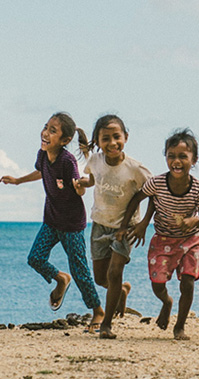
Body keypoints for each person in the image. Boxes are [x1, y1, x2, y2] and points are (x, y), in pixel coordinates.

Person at [0, 112, 104, 330]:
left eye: (52, 131)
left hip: (72, 225)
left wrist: (81, 187)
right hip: (51, 220)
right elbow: (40, 171)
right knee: (35, 258)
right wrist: (18, 181)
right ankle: (60, 279)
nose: (45, 133)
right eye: (46, 127)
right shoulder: (43, 154)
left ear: (65, 140)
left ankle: (98, 311)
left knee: (80, 270)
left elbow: (79, 185)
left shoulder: (68, 161)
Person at [119, 129, 199, 340]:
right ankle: (167, 302)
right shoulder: (157, 183)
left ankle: (180, 326)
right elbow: (137, 199)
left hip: (191, 241)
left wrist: (195, 220)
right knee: (157, 283)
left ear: (194, 160)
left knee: (188, 282)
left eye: (182, 156)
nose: (176, 161)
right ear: (166, 158)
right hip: (162, 240)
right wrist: (130, 225)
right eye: (171, 156)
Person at [74, 114, 152, 339]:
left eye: (116, 137)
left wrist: (144, 224)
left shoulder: (135, 168)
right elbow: (92, 179)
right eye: (105, 138)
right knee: (100, 279)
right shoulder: (95, 161)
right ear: (98, 142)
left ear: (125, 137)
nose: (112, 143)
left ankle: (107, 324)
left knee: (115, 271)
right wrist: (82, 183)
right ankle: (122, 291)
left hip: (125, 228)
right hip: (99, 224)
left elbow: (153, 193)